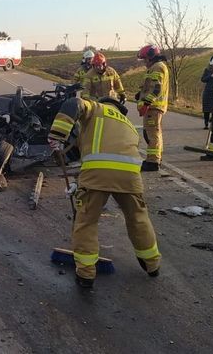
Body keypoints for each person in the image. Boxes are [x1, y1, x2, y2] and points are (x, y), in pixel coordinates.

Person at [48, 96, 161, 288]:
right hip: (130, 176)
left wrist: (57, 135)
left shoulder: (96, 108)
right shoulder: (129, 124)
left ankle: (85, 274)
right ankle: (152, 264)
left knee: (86, 221)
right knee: (138, 218)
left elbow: (73, 103)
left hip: (98, 174)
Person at [135, 44, 169, 172]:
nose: (144, 62)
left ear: (150, 57)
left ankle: (153, 162)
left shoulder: (157, 67)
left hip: (153, 107)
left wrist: (146, 103)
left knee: (152, 134)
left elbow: (156, 88)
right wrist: (141, 94)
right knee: (153, 133)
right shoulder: (158, 66)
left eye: (145, 59)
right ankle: (155, 158)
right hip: (154, 106)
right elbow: (151, 86)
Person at [200, 59, 213, 129]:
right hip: (208, 92)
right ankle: (206, 124)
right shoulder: (207, 70)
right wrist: (212, 75)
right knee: (207, 109)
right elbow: (203, 79)